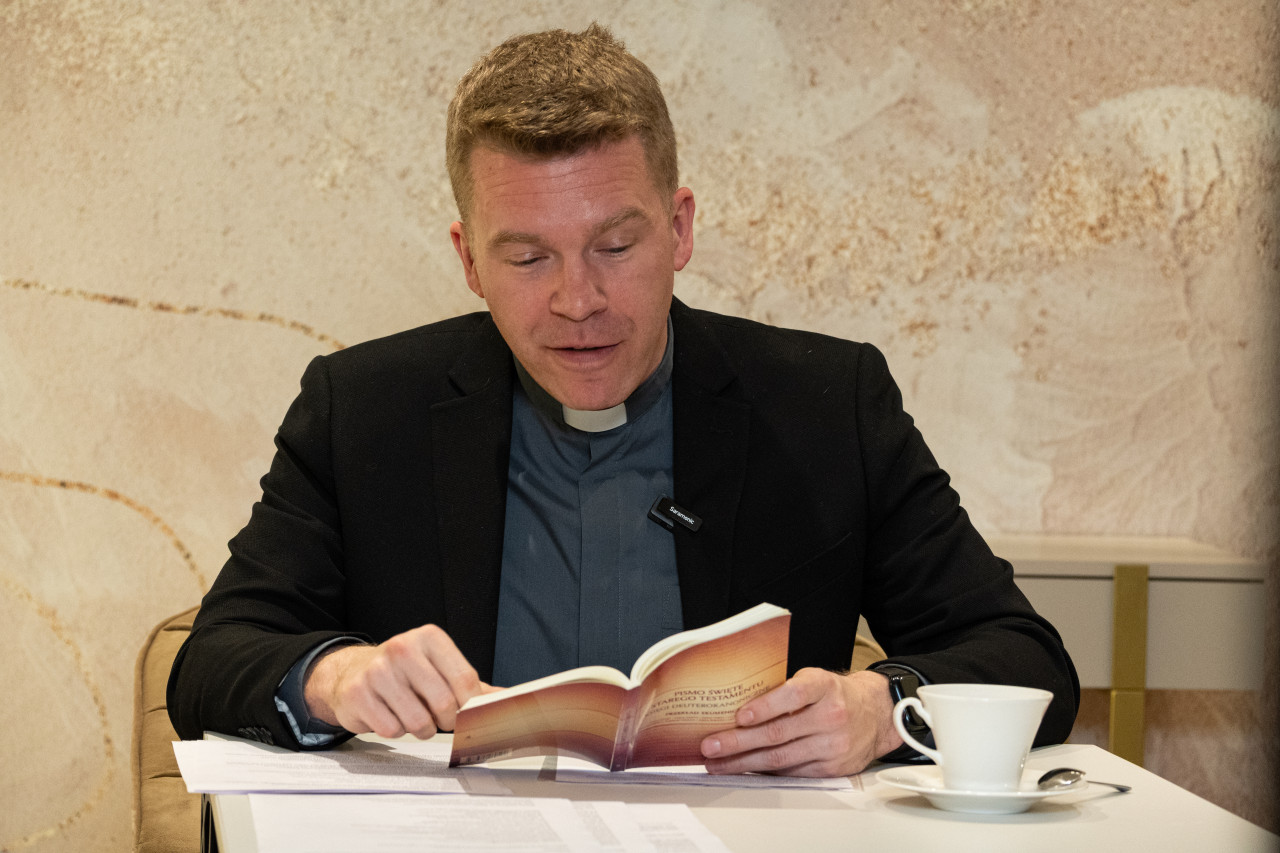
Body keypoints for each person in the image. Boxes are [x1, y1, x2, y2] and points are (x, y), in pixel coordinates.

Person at [168, 23, 1078, 777]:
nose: (578, 300)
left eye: (614, 246)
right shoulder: (364, 409)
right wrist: (335, 676)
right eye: (529, 257)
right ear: (469, 258)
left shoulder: (826, 404)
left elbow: (1024, 656)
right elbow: (212, 659)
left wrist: (881, 709)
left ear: (678, 229)